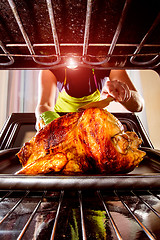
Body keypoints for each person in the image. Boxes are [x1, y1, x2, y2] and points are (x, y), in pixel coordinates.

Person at [35, 66, 144, 131]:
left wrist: (125, 94)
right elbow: (44, 105)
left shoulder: (107, 63)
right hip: (62, 123)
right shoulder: (51, 67)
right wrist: (49, 121)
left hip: (94, 125)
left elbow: (138, 105)